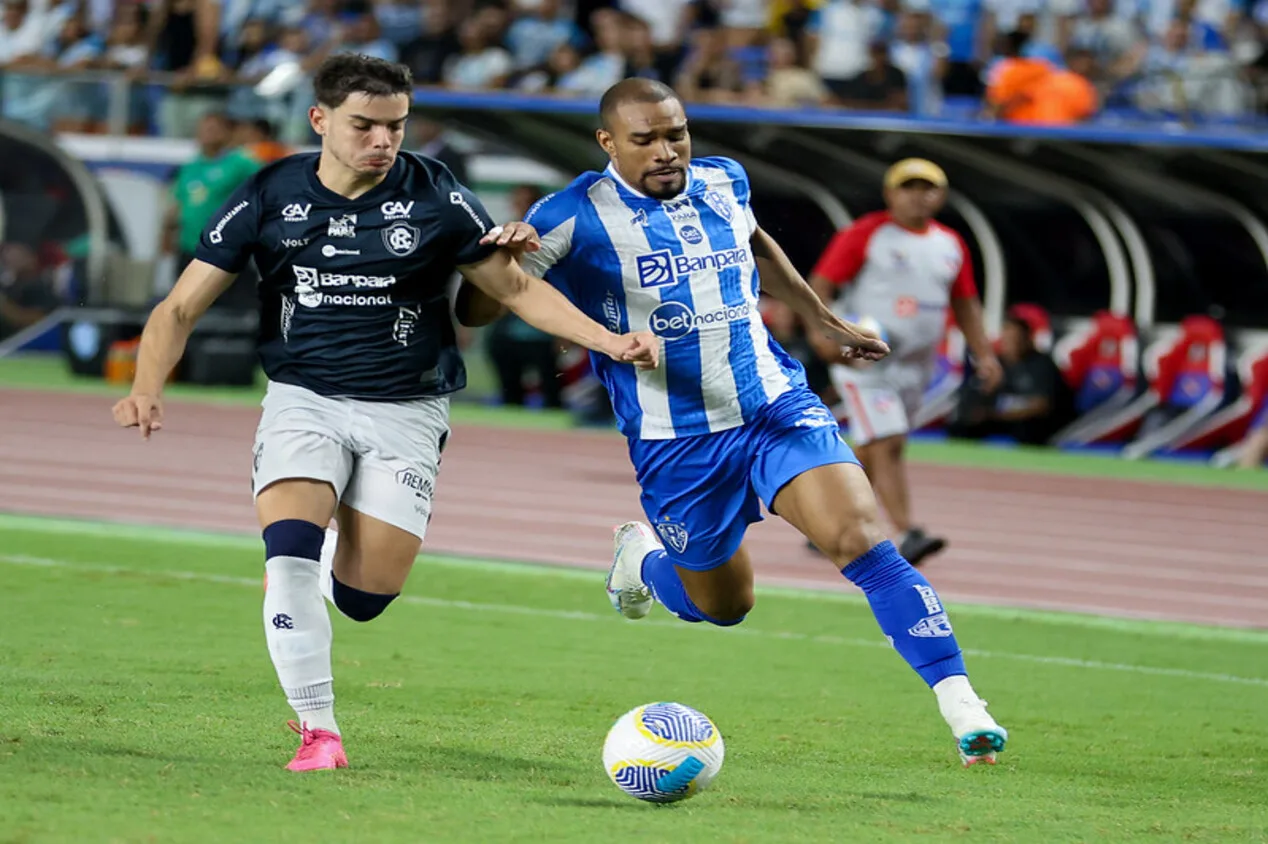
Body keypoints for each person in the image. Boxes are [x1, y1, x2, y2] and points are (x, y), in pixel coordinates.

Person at [111, 54, 657, 773]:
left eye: (394, 126)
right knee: (290, 559)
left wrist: (608, 341)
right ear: (321, 120)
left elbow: (515, 290)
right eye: (364, 125)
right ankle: (319, 732)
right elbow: (180, 305)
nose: (382, 140)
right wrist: (148, 382)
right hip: (302, 399)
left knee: (366, 599)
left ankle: (323, 554)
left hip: (407, 408)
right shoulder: (273, 193)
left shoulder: (434, 193)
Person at [460, 78, 1009, 767]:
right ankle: (642, 560)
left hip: (774, 406)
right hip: (676, 440)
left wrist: (822, 319)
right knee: (723, 606)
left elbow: (757, 248)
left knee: (862, 540)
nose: (667, 151)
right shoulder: (572, 213)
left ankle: (962, 705)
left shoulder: (723, 180)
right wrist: (501, 256)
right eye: (646, 140)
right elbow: (482, 307)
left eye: (676, 134)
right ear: (607, 143)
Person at [807, 158, 1002, 567]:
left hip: (916, 365)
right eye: (909, 187)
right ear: (890, 193)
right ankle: (907, 532)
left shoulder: (950, 243)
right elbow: (820, 284)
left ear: (941, 195)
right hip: (864, 361)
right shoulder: (867, 234)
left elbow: (965, 302)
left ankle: (828, 523)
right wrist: (821, 335)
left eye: (927, 187)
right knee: (889, 441)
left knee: (878, 445)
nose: (918, 195)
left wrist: (983, 353)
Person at [947, 308, 1076, 445]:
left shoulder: (1042, 365)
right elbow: (978, 393)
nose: (1009, 344)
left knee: (1029, 430)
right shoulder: (997, 364)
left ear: (1027, 340)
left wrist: (996, 415)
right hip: (1000, 418)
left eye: (1015, 339)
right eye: (1006, 339)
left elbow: (1041, 406)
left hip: (1031, 421)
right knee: (962, 426)